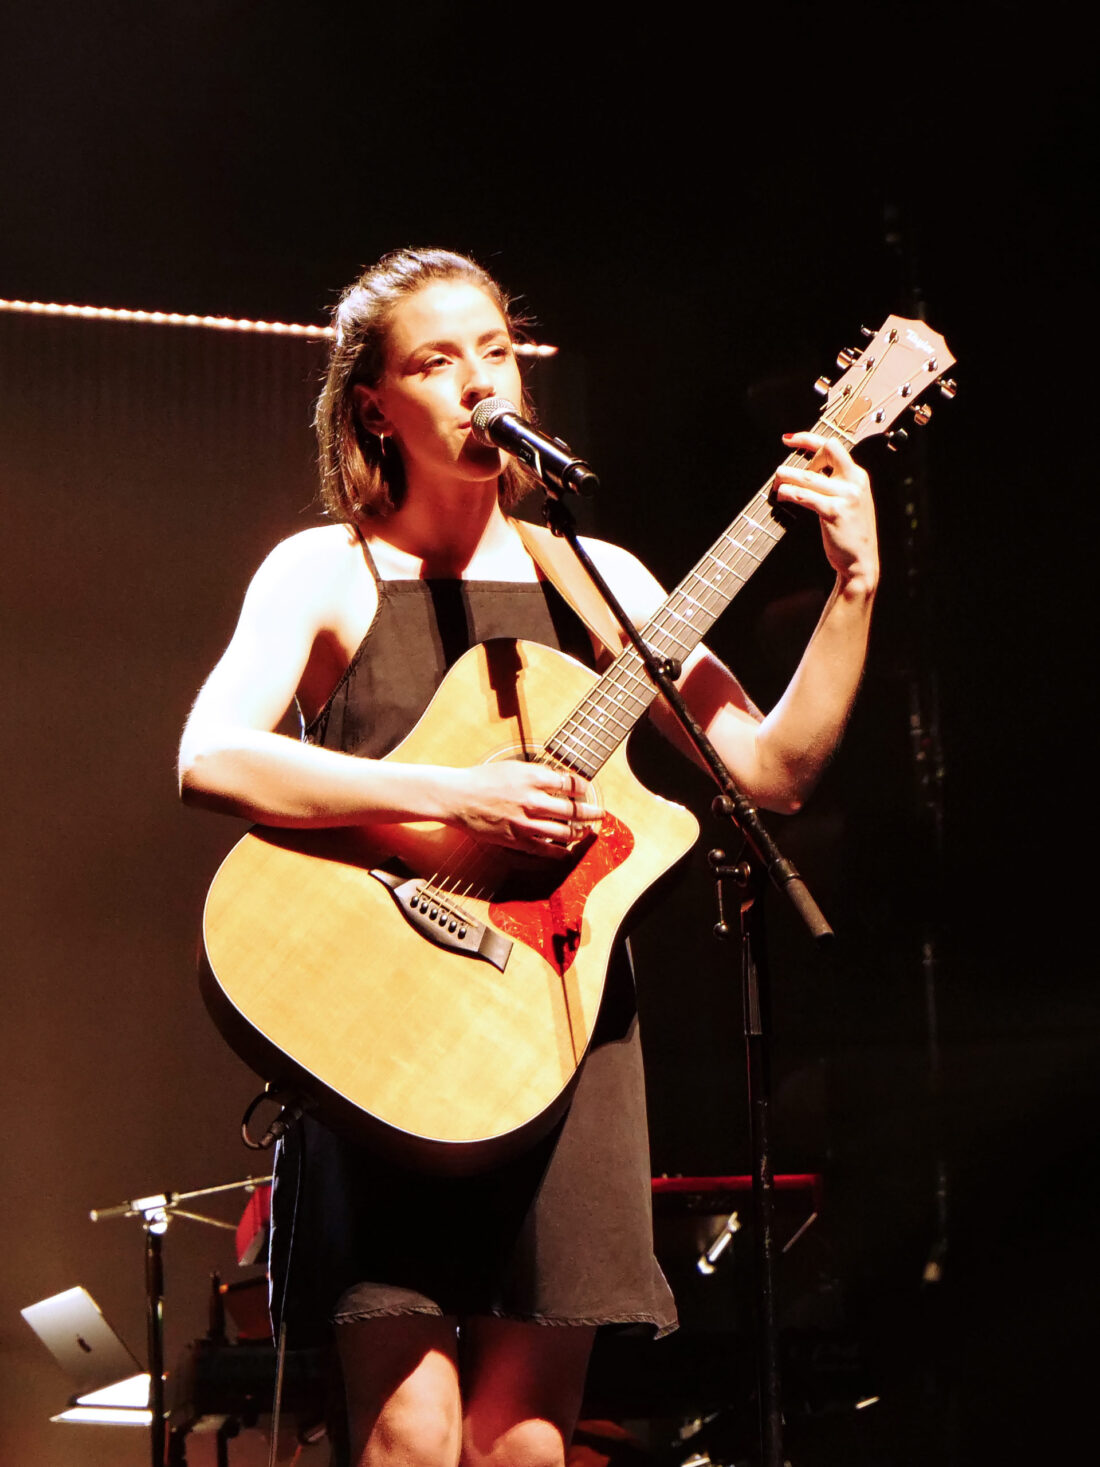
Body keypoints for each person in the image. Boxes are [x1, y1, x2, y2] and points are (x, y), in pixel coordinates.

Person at [178, 247, 878, 1467]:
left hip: (556, 1026)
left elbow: (769, 772)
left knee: (528, 1445)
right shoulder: (326, 570)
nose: (475, 380)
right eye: (435, 360)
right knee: (411, 1433)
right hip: (381, 1027)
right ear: (371, 404)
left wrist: (853, 588)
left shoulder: (596, 576)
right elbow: (212, 760)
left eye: (493, 349)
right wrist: (458, 796)